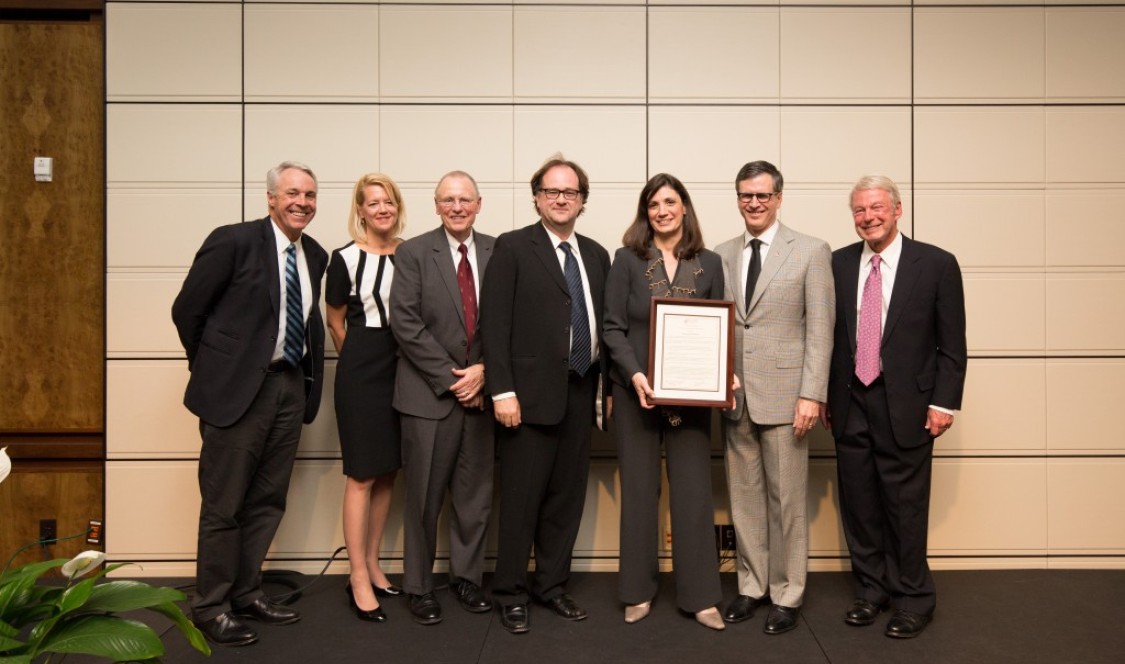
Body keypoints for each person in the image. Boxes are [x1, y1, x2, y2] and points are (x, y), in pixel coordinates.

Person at [172, 161, 328, 647]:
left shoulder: (315, 255)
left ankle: (246, 592)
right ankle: (210, 606)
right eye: (292, 193)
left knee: (267, 499)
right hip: (238, 391)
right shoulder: (233, 241)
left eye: (309, 195)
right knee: (224, 505)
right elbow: (187, 310)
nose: (301, 202)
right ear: (270, 198)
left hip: (287, 386)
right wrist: (216, 368)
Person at [821, 175, 966, 639]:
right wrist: (824, 394)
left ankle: (913, 598)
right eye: (860, 210)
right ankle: (872, 591)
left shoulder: (937, 264)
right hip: (850, 401)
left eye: (877, 207)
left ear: (898, 209)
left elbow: (952, 344)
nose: (869, 217)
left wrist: (945, 402)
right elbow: (829, 338)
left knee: (904, 507)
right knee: (859, 503)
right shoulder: (838, 264)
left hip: (909, 404)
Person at [480, 155, 610, 635]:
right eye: (552, 191)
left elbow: (605, 329)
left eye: (570, 193)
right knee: (520, 501)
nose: (561, 199)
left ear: (582, 201)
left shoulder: (597, 255)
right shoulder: (512, 248)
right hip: (527, 399)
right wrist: (503, 392)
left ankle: (551, 586)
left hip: (581, 390)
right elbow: (494, 325)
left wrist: (606, 389)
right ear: (536, 197)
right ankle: (511, 592)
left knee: (565, 500)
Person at [715, 160, 835, 635]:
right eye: (746, 195)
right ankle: (751, 587)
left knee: (786, 500)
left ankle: (788, 594)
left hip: (788, 398)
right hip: (734, 397)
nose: (754, 203)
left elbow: (821, 330)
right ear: (738, 198)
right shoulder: (721, 254)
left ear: (779, 198)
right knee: (743, 499)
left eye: (763, 195)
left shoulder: (810, 251)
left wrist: (812, 394)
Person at [602, 173, 727, 630]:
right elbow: (612, 327)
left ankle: (701, 597)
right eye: (654, 204)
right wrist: (635, 375)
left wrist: (723, 375)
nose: (662, 211)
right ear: (645, 211)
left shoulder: (710, 263)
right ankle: (637, 591)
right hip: (635, 393)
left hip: (692, 398)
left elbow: (720, 330)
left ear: (685, 208)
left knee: (694, 495)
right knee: (638, 492)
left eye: (670, 202)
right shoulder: (627, 261)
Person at [390, 171, 495, 625]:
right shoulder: (413, 252)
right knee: (423, 499)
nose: (457, 207)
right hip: (429, 397)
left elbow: (508, 318)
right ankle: (418, 586)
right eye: (448, 200)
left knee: (475, 498)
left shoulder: (498, 250)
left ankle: (467, 579)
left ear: (478, 204)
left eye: (464, 200)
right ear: (436, 205)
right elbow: (406, 323)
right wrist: (456, 380)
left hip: (483, 394)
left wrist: (485, 372)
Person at [325, 173, 406, 623]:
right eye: (373, 202)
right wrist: (358, 361)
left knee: (388, 470)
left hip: (404, 367)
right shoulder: (344, 258)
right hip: (361, 369)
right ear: (360, 210)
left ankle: (374, 562)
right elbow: (335, 321)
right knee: (361, 474)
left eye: (388, 202)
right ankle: (356, 574)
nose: (381, 209)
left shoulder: (411, 254)